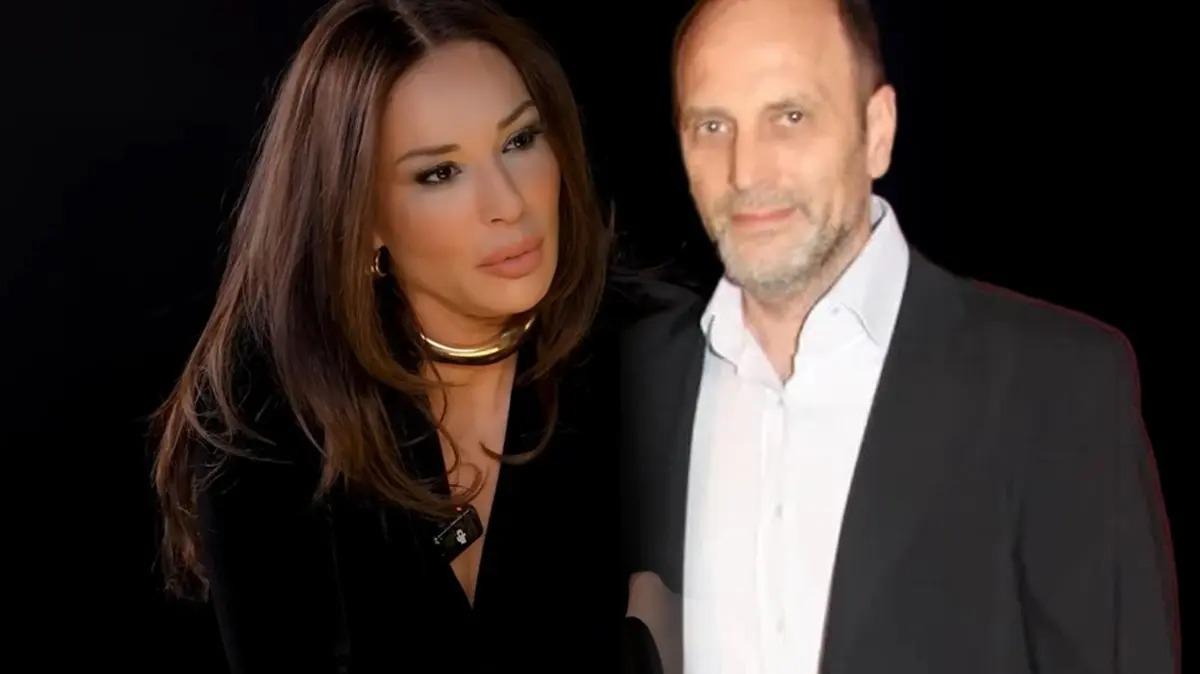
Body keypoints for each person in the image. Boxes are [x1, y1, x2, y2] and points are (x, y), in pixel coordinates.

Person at [620, 0, 1180, 672]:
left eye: (790, 116)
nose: (745, 171)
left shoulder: (1057, 387)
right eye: (712, 125)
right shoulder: (638, 377)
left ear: (878, 130)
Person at [150, 1, 630, 671]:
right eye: (440, 173)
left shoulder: (653, 353)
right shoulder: (264, 407)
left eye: (520, 141)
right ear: (362, 216)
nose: (509, 203)